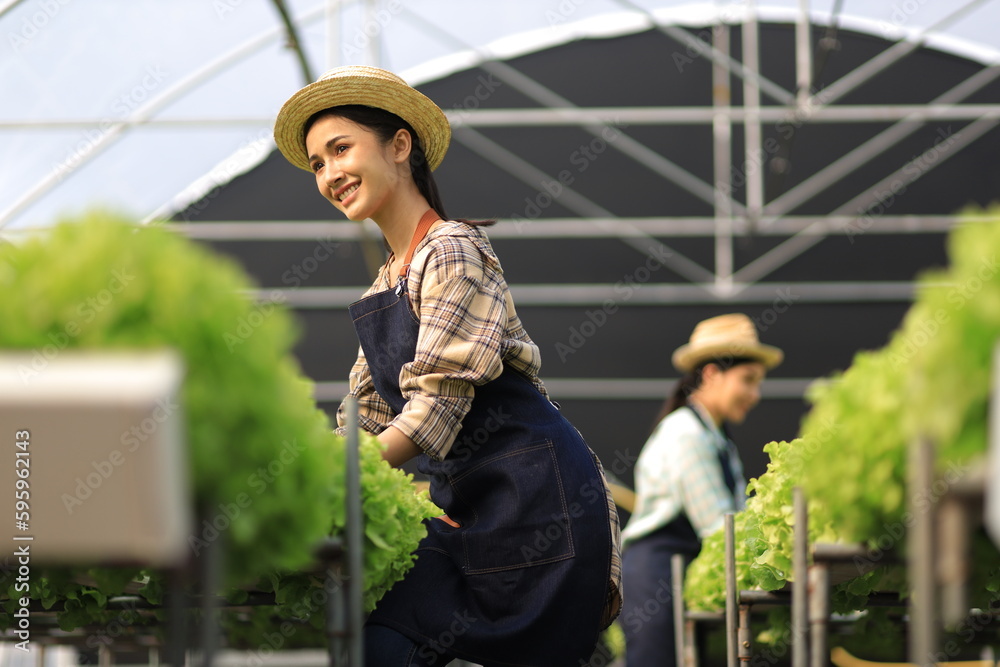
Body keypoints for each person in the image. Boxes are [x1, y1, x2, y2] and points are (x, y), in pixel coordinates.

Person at [273, 66, 622, 667]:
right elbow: (364, 419)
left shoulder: (452, 250)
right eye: (317, 164)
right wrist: (320, 467)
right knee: (384, 630)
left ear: (400, 145)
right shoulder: (387, 280)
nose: (330, 174)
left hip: (537, 500)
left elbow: (438, 406)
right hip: (471, 505)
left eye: (340, 149)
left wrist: (328, 481)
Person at [619, 313, 783, 666]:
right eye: (748, 380)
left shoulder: (719, 440)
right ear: (711, 374)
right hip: (656, 574)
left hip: (683, 569)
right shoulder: (685, 433)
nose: (755, 395)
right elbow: (719, 527)